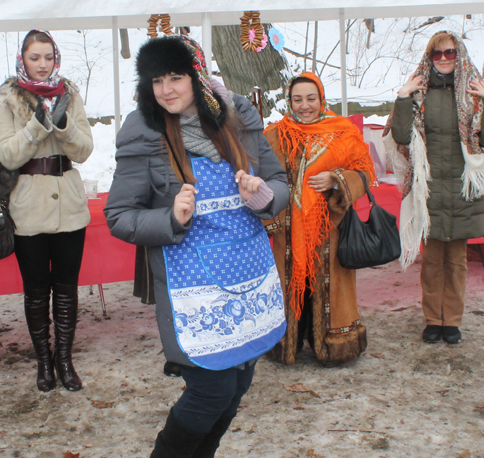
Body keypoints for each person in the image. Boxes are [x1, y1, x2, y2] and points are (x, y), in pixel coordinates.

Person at [104, 35, 289, 458]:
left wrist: (262, 196)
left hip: (249, 274)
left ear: (198, 76)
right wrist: (171, 217)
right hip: (194, 286)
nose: (166, 89)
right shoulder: (145, 130)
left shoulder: (238, 116)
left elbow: (280, 182)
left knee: (238, 385)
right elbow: (119, 215)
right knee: (211, 390)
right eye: (156, 80)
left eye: (176, 77)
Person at [384, 30, 484, 344]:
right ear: (430, 57)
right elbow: (401, 137)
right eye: (438, 54)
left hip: (463, 188)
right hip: (429, 188)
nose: (445, 58)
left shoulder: (473, 92)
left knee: (457, 261)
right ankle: (433, 319)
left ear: (459, 54)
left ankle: (453, 321)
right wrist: (403, 96)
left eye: (450, 52)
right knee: (433, 260)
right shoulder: (419, 92)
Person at [0, 30, 93, 391]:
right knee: (37, 290)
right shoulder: (7, 98)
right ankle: (43, 362)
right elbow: (7, 155)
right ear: (22, 58)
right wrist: (37, 127)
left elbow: (84, 150)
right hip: (28, 207)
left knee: (67, 288)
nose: (42, 65)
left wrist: (64, 125)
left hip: (69, 205)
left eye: (48, 57)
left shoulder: (69, 94)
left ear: (56, 59)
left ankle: (64, 360)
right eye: (34, 57)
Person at [264, 72, 375, 365]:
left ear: (321, 99)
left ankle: (333, 343)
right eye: (297, 99)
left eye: (311, 99)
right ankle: (287, 342)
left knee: (326, 289)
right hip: (287, 233)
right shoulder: (275, 134)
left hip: (329, 230)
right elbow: (260, 175)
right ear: (289, 101)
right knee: (289, 284)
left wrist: (337, 179)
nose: (305, 106)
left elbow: (366, 173)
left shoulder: (343, 132)